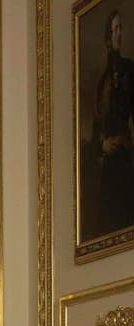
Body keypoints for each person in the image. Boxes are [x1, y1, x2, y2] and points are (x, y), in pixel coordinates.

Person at [95, 9, 134, 236]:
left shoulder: (131, 70)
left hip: (127, 158)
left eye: (122, 28)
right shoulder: (102, 83)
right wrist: (102, 145)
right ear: (108, 39)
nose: (120, 34)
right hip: (109, 166)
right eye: (115, 29)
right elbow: (96, 129)